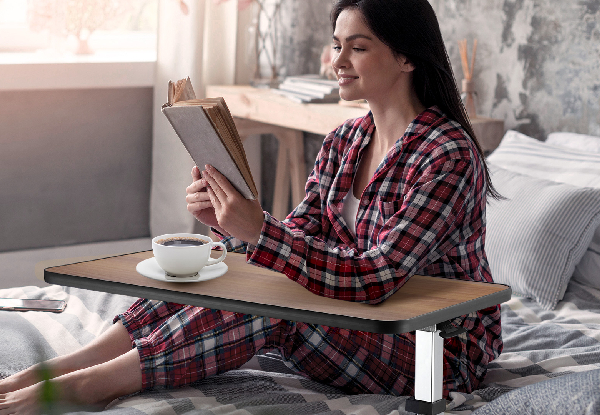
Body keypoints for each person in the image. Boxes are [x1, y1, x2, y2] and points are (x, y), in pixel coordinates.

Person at [0, 0, 502, 412]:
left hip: (430, 345)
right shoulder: (346, 139)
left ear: (407, 57)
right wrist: (231, 224)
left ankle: (90, 387)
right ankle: (67, 367)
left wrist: (261, 232)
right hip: (352, 314)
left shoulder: (446, 154)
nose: (337, 61)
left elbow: (376, 277)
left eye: (359, 47)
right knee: (224, 273)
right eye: (336, 46)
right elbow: (303, 238)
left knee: (274, 309)